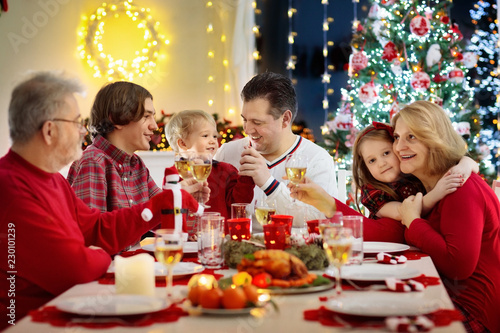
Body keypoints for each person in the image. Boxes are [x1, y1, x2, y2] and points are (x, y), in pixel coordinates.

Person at [0, 72, 199, 327]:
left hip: (69, 310)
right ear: (49, 130)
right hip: (31, 324)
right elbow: (75, 271)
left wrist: (161, 205)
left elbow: (97, 227)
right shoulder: (11, 187)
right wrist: (100, 255)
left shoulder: (53, 180)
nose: (83, 130)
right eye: (75, 122)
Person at [394, 101, 499, 333]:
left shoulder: (460, 186)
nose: (399, 146)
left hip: (472, 312)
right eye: (396, 137)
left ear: (435, 139)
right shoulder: (433, 187)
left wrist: (413, 221)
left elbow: (458, 265)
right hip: (445, 295)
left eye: (412, 137)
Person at [214, 72, 338, 231]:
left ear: (285, 119)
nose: (247, 129)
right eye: (245, 119)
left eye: (257, 122)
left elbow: (320, 219)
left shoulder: (317, 159)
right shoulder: (227, 152)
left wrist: (268, 183)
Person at [352, 121, 478, 220]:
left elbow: (472, 164)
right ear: (366, 167)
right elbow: (403, 212)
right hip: (384, 247)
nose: (381, 163)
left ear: (398, 149)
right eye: (372, 161)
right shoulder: (373, 192)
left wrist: (464, 166)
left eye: (386, 153)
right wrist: (438, 192)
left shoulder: (414, 173)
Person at [164, 110, 254, 231]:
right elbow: (170, 212)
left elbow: (239, 202)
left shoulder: (226, 170)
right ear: (183, 143)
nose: (213, 141)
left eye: (214, 136)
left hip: (220, 238)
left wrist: (247, 176)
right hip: (186, 243)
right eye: (205, 136)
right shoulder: (173, 175)